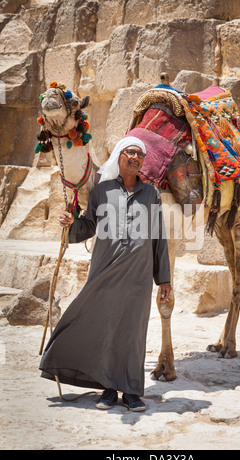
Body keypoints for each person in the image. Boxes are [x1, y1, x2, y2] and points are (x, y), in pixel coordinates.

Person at [39, 136, 172, 412]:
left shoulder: (152, 194)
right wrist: (70, 225)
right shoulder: (102, 191)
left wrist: (164, 279)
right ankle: (109, 389)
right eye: (129, 153)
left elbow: (159, 236)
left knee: (133, 332)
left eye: (139, 155)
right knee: (107, 327)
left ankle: (132, 391)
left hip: (138, 274)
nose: (135, 158)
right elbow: (88, 226)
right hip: (105, 269)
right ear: (119, 158)